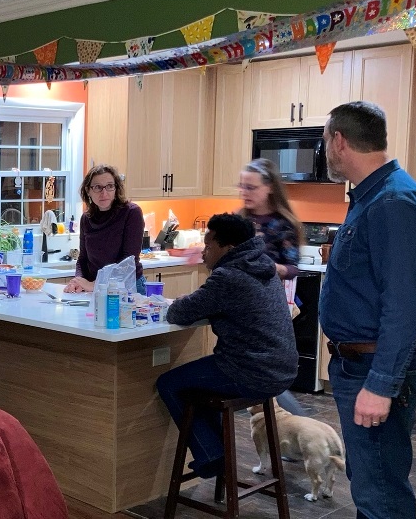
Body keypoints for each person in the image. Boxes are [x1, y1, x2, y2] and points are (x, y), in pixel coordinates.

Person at [319, 101, 416, 519]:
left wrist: (381, 384)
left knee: (382, 495)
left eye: (324, 141)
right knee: (372, 482)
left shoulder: (392, 202)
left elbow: (406, 304)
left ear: (339, 141)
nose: (325, 151)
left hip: (375, 368)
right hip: (362, 364)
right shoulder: (373, 194)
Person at [156, 213, 298, 478]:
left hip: (250, 370)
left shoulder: (229, 276)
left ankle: (212, 455)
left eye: (208, 246)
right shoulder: (262, 264)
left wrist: (185, 301)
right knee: (200, 387)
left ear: (228, 248)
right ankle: (216, 452)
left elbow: (179, 313)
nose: (203, 253)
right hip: (283, 368)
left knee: (170, 384)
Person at [238, 158, 308, 417]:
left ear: (268, 188)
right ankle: (286, 438)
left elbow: (292, 268)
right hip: (240, 306)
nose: (245, 192)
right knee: (252, 369)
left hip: (267, 307)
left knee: (260, 372)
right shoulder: (239, 221)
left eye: (251, 187)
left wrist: (266, 266)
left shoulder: (282, 224)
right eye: (242, 186)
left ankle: (300, 427)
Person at [64, 164, 146, 295]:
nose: (104, 193)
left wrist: (94, 284)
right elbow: (83, 259)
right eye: (97, 187)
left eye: (109, 186)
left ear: (116, 188)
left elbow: (128, 261)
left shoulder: (131, 213)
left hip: (127, 288)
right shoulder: (86, 218)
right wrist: (78, 281)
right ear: (88, 190)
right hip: (95, 289)